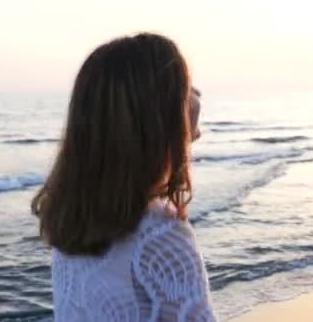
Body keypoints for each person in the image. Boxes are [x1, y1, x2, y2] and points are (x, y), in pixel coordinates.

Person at [31, 33, 216, 321]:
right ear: (157, 123)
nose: (193, 105)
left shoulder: (72, 222)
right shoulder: (158, 234)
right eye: (184, 95)